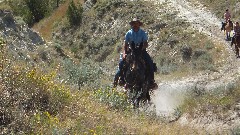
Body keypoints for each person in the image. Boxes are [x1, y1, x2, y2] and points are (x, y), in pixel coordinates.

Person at [113, 18, 158, 90]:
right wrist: (124, 53)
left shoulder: (143, 33)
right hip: (131, 51)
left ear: (139, 24)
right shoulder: (128, 33)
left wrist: (141, 48)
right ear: (132, 25)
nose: (135, 25)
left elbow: (146, 44)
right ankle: (120, 79)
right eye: (134, 24)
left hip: (141, 51)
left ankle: (151, 81)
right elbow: (125, 44)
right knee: (121, 63)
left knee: (150, 63)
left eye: (136, 23)